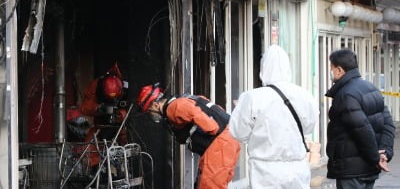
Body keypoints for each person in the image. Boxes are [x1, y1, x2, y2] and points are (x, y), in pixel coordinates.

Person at [229, 44, 318, 188]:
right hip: (297, 170)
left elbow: (238, 132)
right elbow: (308, 128)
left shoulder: (252, 97)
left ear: (263, 69)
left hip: (264, 172)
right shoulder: (305, 95)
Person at [136, 84, 240, 189]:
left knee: (210, 185)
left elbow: (195, 113)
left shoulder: (173, 107)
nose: (151, 115)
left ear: (155, 105)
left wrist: (212, 128)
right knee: (210, 182)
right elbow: (210, 106)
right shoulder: (184, 98)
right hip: (229, 137)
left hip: (220, 142)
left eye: (149, 111)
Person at [325, 49, 395, 189]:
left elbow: (362, 130)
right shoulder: (371, 88)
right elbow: (388, 124)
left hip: (351, 171)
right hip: (368, 169)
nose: (331, 73)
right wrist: (385, 152)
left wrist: (376, 158)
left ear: (339, 70)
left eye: (331, 69)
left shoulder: (345, 95)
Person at [79, 62, 129, 167]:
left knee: (125, 154)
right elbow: (84, 107)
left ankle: (121, 172)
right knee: (87, 154)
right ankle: (94, 174)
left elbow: (135, 107)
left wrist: (122, 114)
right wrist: (98, 108)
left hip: (121, 128)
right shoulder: (96, 85)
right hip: (99, 127)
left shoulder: (127, 87)